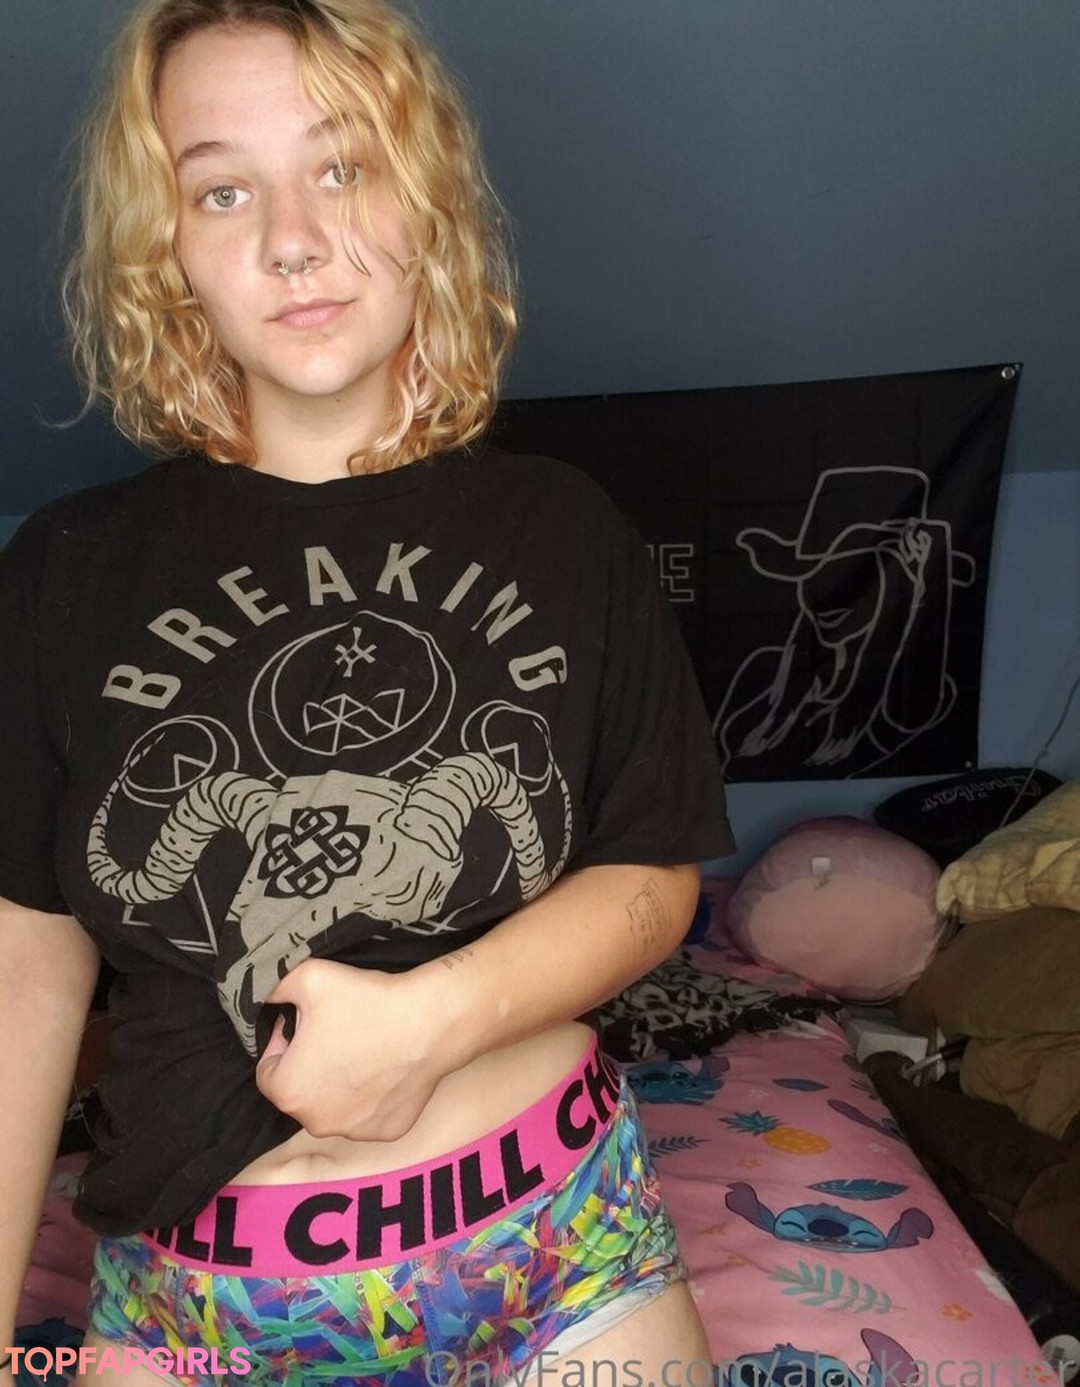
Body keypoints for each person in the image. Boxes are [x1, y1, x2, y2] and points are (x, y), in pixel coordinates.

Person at [0, 2, 734, 1383]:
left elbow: (653, 872)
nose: (292, 239)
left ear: (425, 198)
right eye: (223, 191)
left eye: (342, 167)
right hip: (199, 1300)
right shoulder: (63, 569)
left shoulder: (565, 528)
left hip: (552, 1243)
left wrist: (432, 1020)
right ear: (170, 251)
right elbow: (24, 972)